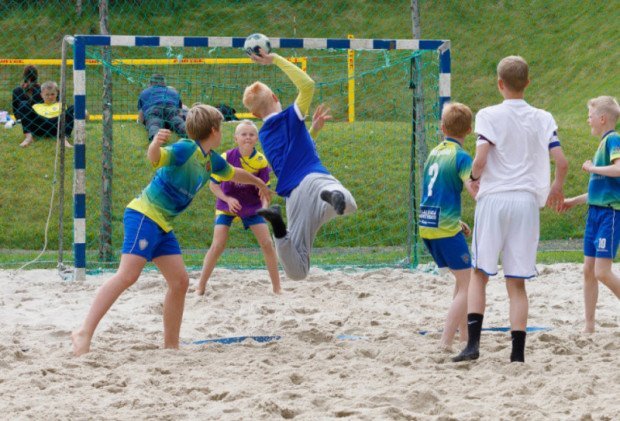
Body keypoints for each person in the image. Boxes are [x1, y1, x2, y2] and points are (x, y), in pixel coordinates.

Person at [71, 104, 270, 356]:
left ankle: (171, 346)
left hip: (162, 224)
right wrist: (155, 143)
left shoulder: (210, 160)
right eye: (222, 127)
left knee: (180, 281)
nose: (223, 132)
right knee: (127, 275)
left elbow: (234, 174)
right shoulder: (187, 149)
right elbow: (155, 157)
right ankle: (84, 331)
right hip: (144, 215)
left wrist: (259, 182)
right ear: (213, 130)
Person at [453, 56, 568, 363]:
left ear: (499, 84)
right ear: (527, 83)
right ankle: (517, 355)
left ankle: (472, 345)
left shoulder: (489, 114)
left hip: (495, 199)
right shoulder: (543, 117)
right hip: (527, 202)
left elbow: (480, 160)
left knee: (479, 274)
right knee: (516, 283)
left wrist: (474, 179)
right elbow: (562, 161)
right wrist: (556, 187)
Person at [242, 50, 357, 280]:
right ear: (275, 97)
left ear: (254, 114)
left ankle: (277, 224)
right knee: (349, 205)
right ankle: (332, 193)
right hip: (316, 179)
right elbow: (307, 84)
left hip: (294, 196)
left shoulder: (263, 135)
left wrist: (311, 131)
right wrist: (273, 58)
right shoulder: (291, 116)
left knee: (297, 271)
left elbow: (293, 152)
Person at [196, 119, 281, 295]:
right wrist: (227, 199)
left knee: (267, 243)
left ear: (256, 138)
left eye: (251, 134)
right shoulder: (227, 157)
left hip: (251, 206)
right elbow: (213, 185)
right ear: (236, 138)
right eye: (243, 134)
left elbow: (265, 191)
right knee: (218, 245)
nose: (247, 137)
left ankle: (277, 288)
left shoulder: (261, 161)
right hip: (227, 204)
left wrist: (265, 208)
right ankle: (200, 286)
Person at [420, 102, 477, 351]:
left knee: (462, 279)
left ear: (442, 127)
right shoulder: (462, 157)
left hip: (428, 224)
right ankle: (445, 340)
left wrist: (457, 222)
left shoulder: (434, 153)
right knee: (470, 283)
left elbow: (436, 193)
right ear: (469, 130)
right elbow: (474, 189)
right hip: (444, 228)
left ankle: (465, 337)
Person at [561, 96, 620, 333]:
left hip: (609, 215)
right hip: (595, 213)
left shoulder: (614, 139)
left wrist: (591, 167)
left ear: (602, 118)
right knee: (588, 271)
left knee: (602, 272)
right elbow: (599, 189)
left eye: (590, 115)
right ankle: (589, 326)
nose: (588, 120)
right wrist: (574, 201)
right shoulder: (602, 144)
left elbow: (618, 169)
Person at [15, 81, 74, 148]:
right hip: (39, 126)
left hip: (57, 126)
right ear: (41, 95)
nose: (50, 97)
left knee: (73, 107)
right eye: (47, 94)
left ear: (57, 94)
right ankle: (28, 138)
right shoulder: (36, 106)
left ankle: (63, 139)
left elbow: (66, 118)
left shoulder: (62, 105)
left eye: (52, 94)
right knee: (23, 104)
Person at [138, 74, 187, 141]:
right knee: (178, 122)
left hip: (154, 109)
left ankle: (156, 139)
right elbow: (180, 112)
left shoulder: (144, 92)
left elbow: (141, 113)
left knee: (154, 123)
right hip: (171, 108)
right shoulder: (173, 92)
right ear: (164, 83)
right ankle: (188, 133)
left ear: (150, 83)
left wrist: (140, 123)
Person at [11, 65, 43, 140]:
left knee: (23, 105)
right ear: (37, 75)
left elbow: (15, 111)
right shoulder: (43, 90)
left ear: (24, 76)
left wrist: (19, 119)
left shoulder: (16, 90)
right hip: (39, 119)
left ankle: (28, 136)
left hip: (22, 119)